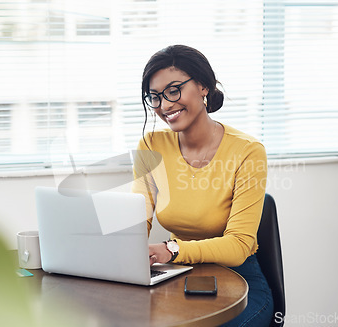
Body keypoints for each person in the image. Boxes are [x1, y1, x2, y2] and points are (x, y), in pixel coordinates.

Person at [131, 44, 273, 327]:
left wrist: (172, 249)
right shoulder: (151, 146)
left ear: (204, 86)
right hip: (176, 274)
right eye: (155, 97)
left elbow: (238, 246)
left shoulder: (247, 151)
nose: (165, 106)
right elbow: (136, 223)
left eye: (173, 90)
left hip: (240, 282)